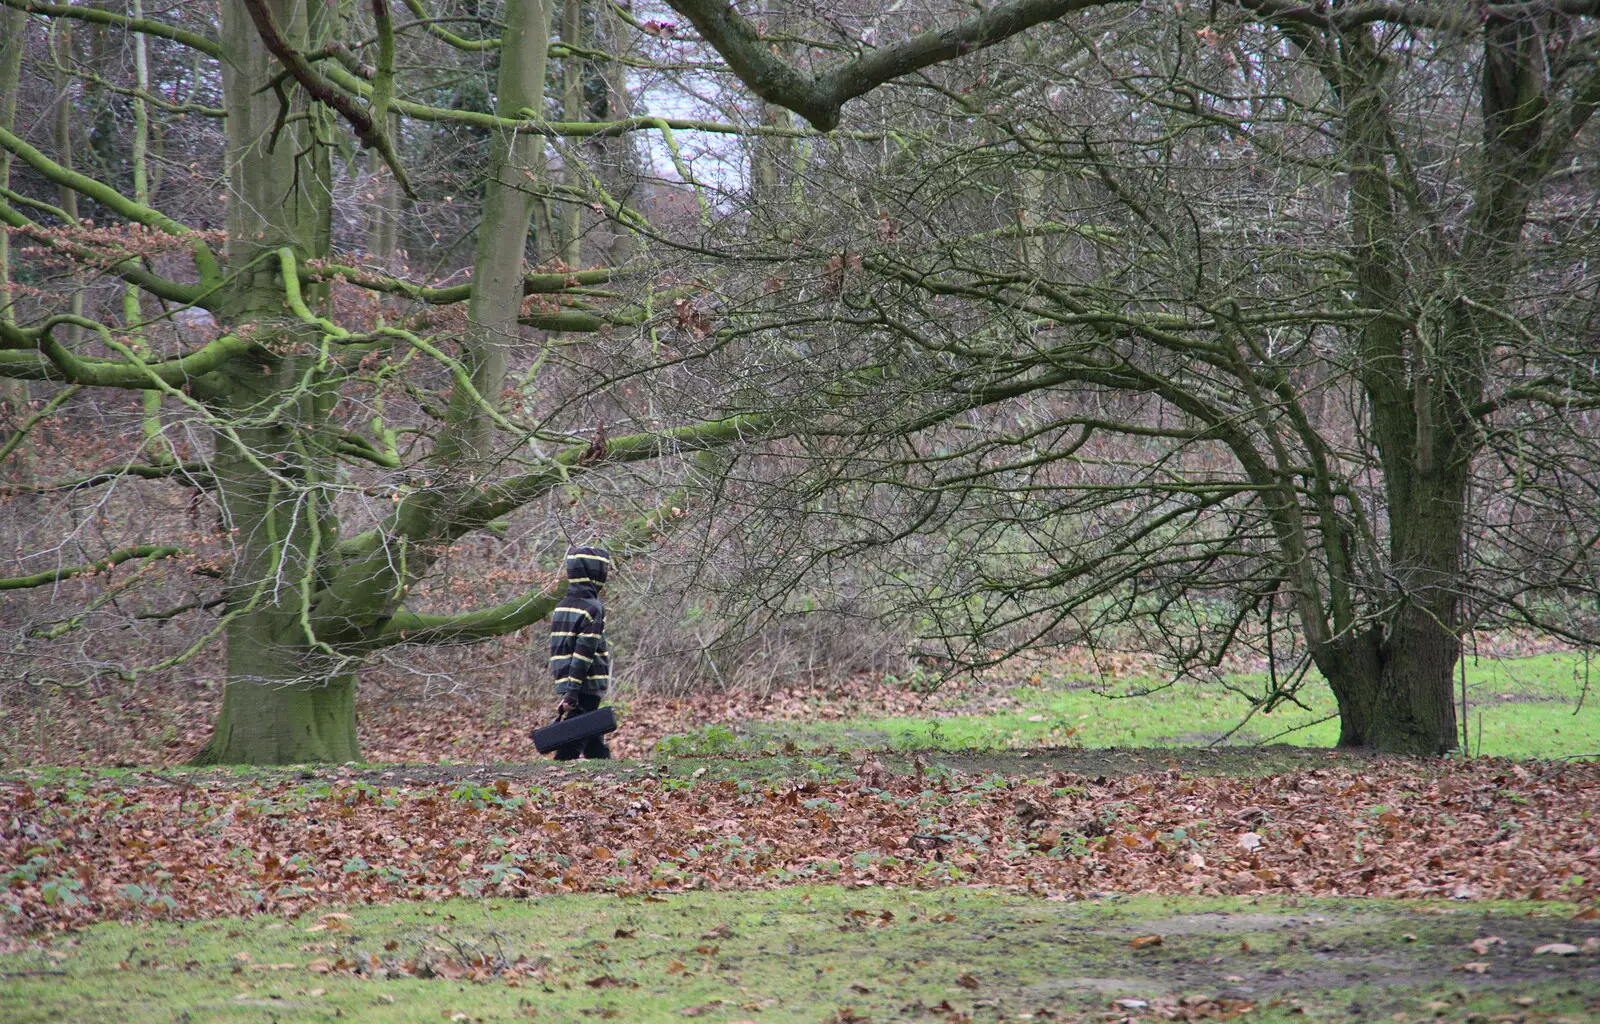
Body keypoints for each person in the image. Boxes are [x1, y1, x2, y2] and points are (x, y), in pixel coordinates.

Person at [545, 545, 612, 760]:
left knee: (592, 737)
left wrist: (568, 687)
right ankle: (553, 783)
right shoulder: (593, 608)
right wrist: (573, 691)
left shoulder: (562, 606)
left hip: (570, 681)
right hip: (586, 683)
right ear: (595, 572)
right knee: (573, 743)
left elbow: (561, 649)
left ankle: (608, 772)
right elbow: (584, 652)